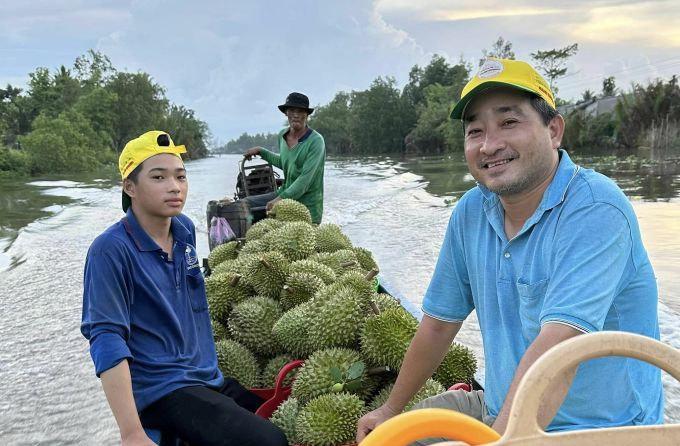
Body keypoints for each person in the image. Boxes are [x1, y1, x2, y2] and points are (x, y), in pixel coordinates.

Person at [356, 59, 663, 444]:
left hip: (596, 432)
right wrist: (390, 409)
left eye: (509, 122)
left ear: (553, 130)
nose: (490, 145)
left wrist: (499, 441)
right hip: (501, 409)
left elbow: (560, 351)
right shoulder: (471, 210)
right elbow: (438, 325)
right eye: (475, 131)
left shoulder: (596, 209)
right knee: (394, 437)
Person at [80, 130, 287, 446]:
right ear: (130, 187)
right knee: (269, 442)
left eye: (180, 176)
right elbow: (106, 338)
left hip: (204, 377)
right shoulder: (109, 251)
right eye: (159, 177)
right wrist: (131, 432)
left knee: (283, 418)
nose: (174, 186)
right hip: (160, 389)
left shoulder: (185, 230)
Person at [244, 92, 326, 224]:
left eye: (300, 111)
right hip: (284, 193)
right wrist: (261, 151)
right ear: (286, 113)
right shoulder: (282, 135)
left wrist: (280, 199)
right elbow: (285, 163)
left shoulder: (316, 141)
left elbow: (305, 180)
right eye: (292, 110)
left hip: (307, 207)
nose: (296, 115)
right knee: (244, 205)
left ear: (307, 114)